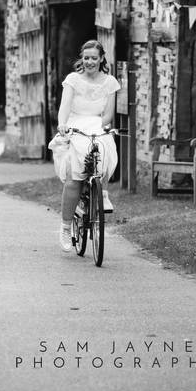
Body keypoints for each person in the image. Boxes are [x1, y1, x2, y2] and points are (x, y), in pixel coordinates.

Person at [49, 39, 119, 252]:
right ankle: (65, 226)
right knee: (74, 179)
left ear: (101, 59)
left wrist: (103, 127)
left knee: (106, 146)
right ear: (82, 59)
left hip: (97, 124)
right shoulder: (73, 80)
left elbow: (108, 114)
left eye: (94, 58)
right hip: (75, 124)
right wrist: (62, 124)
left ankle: (102, 191)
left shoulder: (110, 82)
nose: (89, 62)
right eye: (86, 58)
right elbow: (65, 106)